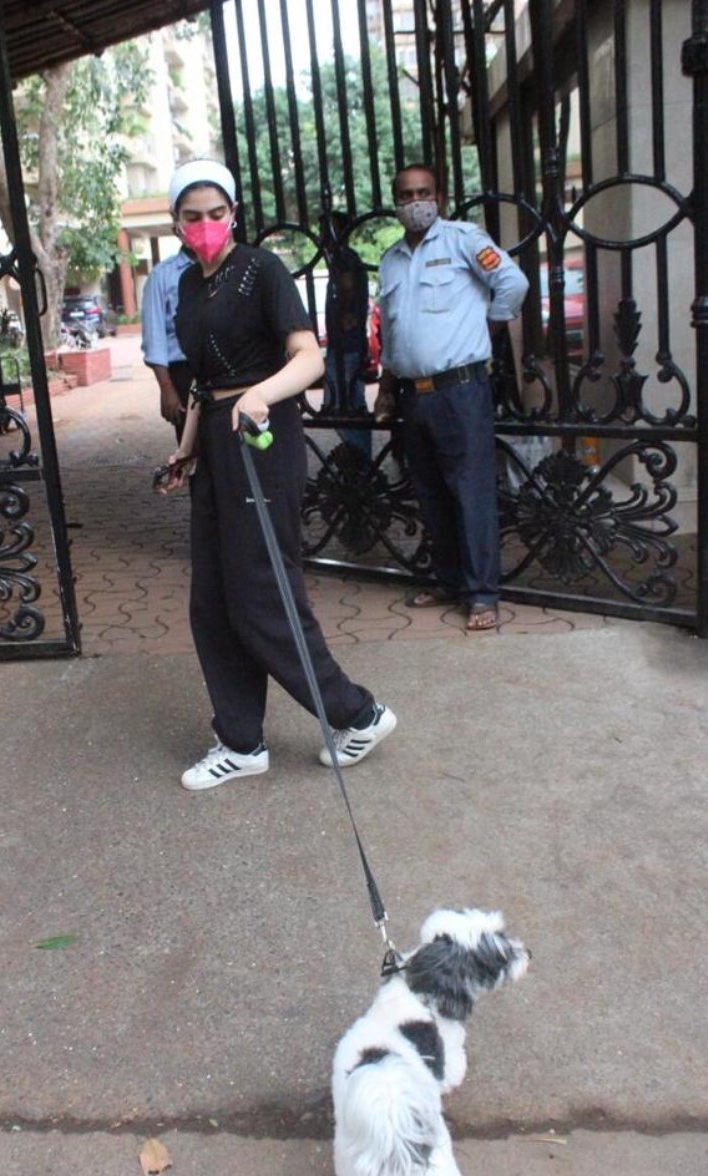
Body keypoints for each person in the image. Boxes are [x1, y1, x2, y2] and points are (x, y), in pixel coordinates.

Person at [158, 158, 397, 791]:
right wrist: (186, 448)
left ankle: (358, 714)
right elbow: (204, 384)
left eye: (216, 213)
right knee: (211, 601)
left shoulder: (262, 270)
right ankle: (240, 741)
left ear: (232, 213)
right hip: (216, 436)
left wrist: (261, 394)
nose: (205, 225)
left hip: (263, 435)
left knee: (262, 592)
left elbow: (308, 358)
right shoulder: (187, 285)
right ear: (176, 221)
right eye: (192, 216)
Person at [375, 164, 528, 632]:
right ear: (396, 201)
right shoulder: (391, 258)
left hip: (460, 391)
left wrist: (489, 327)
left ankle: (482, 595)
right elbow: (394, 331)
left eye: (423, 192)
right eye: (406, 194)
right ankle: (448, 579)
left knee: (471, 492)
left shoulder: (464, 240)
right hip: (412, 395)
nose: (415, 202)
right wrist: (385, 387)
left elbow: (513, 283)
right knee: (431, 492)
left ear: (438, 195)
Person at [322, 211, 371, 458]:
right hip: (346, 345)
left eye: (328, 230)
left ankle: (358, 456)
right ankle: (358, 456)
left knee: (342, 403)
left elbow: (348, 287)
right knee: (348, 402)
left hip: (347, 346)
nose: (323, 237)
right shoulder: (345, 259)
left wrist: (346, 315)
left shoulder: (344, 259)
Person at [141, 245, 194, 444]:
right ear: (177, 227)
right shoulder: (161, 275)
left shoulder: (231, 267)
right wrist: (166, 388)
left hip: (228, 372)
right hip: (184, 374)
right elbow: (155, 339)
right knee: (192, 452)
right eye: (192, 218)